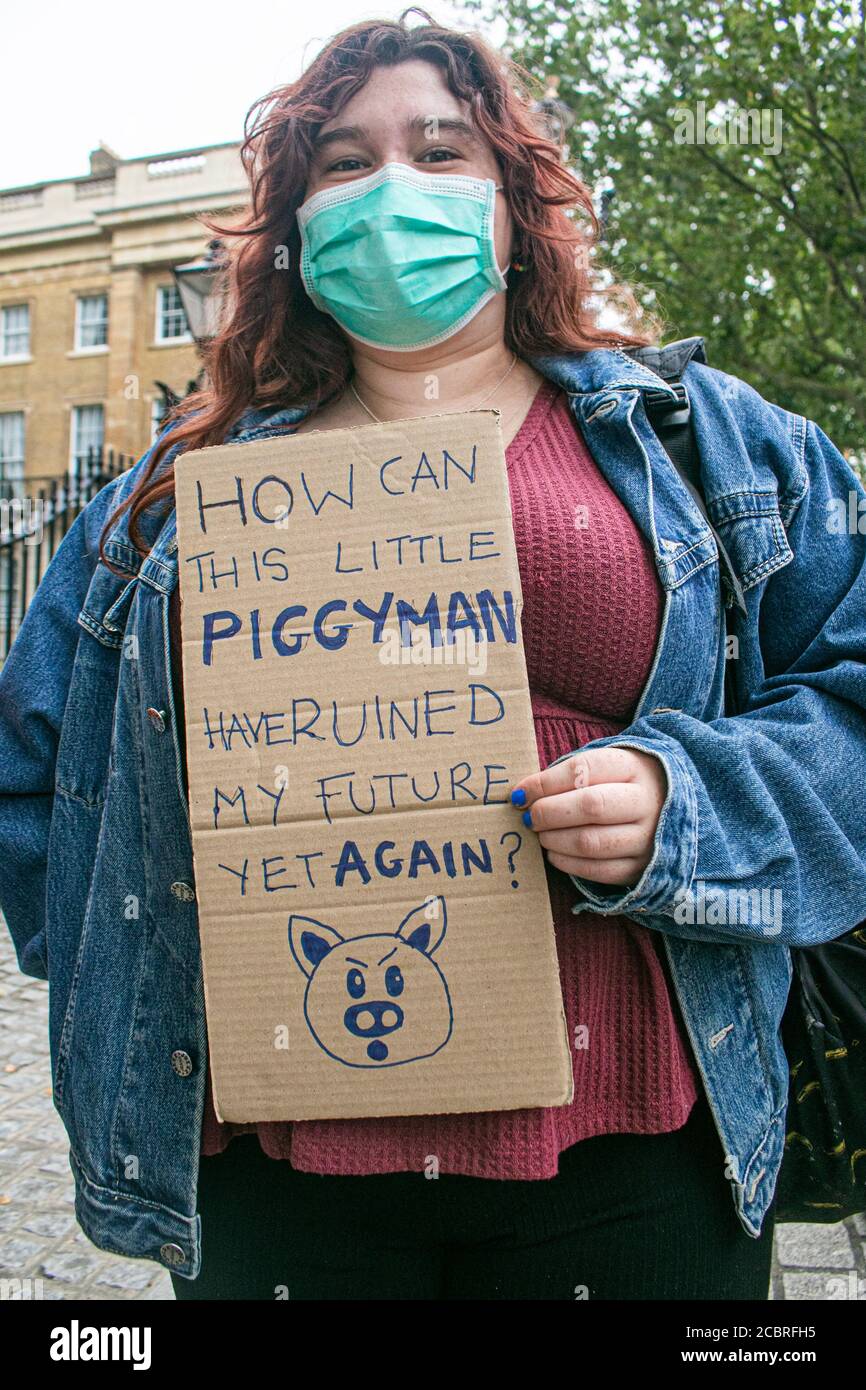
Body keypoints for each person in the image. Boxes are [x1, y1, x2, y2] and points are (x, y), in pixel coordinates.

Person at [2, 11, 865, 1302]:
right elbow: (40, 772)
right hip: (280, 1161)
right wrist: (167, 958)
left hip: (633, 1142)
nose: (393, 187)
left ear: (515, 207)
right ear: (292, 224)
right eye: (343, 162)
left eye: (442, 150)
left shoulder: (713, 445)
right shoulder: (173, 498)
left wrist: (693, 806)